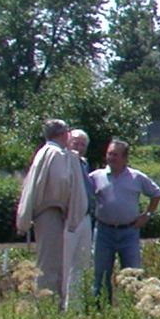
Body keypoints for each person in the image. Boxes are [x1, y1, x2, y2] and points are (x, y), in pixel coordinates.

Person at [15, 119, 89, 308]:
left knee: (50, 262)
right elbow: (61, 183)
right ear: (63, 134)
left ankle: (50, 303)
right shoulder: (56, 153)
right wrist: (68, 205)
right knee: (50, 264)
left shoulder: (44, 151)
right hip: (51, 212)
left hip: (46, 213)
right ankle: (49, 306)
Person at [88, 139, 160, 302]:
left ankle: (135, 308)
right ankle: (100, 308)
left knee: (133, 274)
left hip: (129, 232)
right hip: (103, 232)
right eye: (109, 154)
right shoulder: (95, 177)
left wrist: (147, 215)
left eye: (115, 155)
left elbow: (156, 194)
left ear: (125, 158)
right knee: (101, 273)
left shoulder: (136, 177)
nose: (111, 158)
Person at [63, 129, 95, 303]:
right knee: (66, 262)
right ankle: (62, 302)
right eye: (76, 142)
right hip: (71, 217)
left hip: (86, 217)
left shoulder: (83, 163)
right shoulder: (65, 160)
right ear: (68, 142)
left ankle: (76, 304)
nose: (79, 147)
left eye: (83, 144)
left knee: (81, 262)